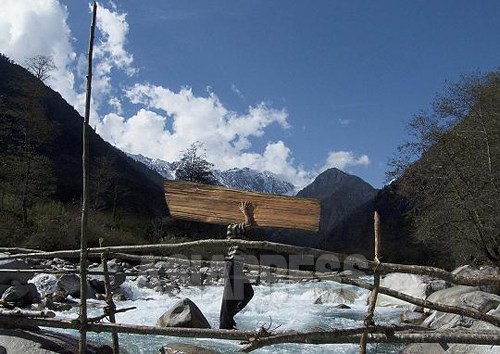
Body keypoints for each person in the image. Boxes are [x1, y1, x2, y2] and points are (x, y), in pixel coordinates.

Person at [219, 201, 255, 330]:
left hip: (236, 265)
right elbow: (249, 224)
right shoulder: (232, 227)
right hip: (232, 263)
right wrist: (247, 212)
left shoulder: (241, 231)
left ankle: (228, 319)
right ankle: (224, 325)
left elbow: (252, 224)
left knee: (248, 292)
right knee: (230, 296)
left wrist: (249, 213)